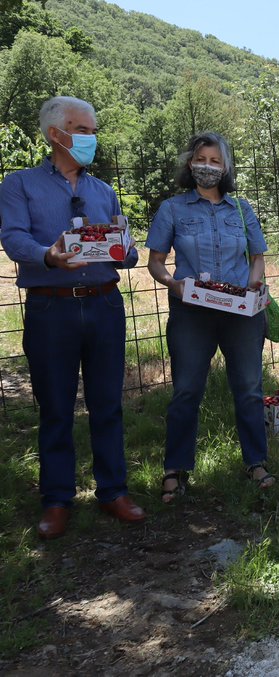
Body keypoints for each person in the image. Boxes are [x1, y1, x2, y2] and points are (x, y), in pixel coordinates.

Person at [0, 96, 145, 539]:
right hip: (50, 307)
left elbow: (128, 251)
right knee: (56, 407)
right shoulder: (19, 184)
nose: (91, 138)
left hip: (104, 304)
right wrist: (48, 255)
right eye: (83, 130)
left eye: (92, 129)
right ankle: (57, 499)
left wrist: (125, 249)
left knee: (107, 403)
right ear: (55, 134)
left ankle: (113, 491)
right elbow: (13, 237)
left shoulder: (103, 191)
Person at [146, 131, 273, 500]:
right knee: (186, 390)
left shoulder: (241, 209)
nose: (208, 166)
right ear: (190, 163)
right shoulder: (173, 209)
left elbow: (258, 257)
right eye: (202, 159)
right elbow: (155, 262)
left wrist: (253, 286)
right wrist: (174, 284)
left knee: (249, 389)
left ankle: (256, 462)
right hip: (192, 312)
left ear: (226, 167)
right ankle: (176, 469)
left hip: (239, 312)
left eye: (216, 161)